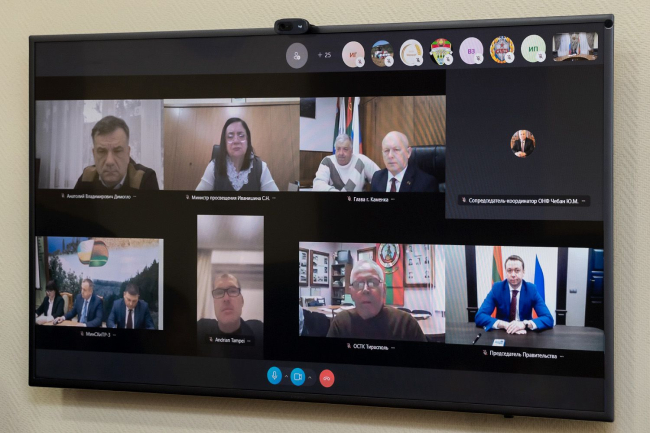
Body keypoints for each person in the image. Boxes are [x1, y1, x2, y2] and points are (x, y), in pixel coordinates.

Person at [327, 260, 427, 341]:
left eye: (372, 282)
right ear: (351, 293)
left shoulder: (405, 324)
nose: (365, 289)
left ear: (384, 290)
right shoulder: (340, 324)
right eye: (358, 284)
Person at [74, 116, 160, 192]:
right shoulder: (87, 177)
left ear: (128, 153)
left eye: (118, 151)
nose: (109, 162)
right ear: (94, 154)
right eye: (102, 151)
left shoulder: (144, 179)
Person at [475, 255, 554, 334]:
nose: (513, 275)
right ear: (506, 272)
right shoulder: (497, 288)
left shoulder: (531, 290)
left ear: (523, 272)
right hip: (503, 332)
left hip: (525, 333)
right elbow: (479, 316)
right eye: (509, 270)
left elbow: (548, 319)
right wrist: (505, 325)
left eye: (517, 270)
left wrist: (524, 324)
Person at [196, 118, 279, 191]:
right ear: (224, 142)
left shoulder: (261, 167)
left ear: (248, 140)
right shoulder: (213, 166)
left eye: (241, 135)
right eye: (230, 136)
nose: (236, 141)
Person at [197, 273, 263, 351]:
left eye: (232, 291)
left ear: (242, 301)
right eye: (219, 292)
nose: (226, 298)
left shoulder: (260, 331)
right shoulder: (200, 330)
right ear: (214, 303)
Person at [370, 131, 438, 192]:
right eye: (386, 151)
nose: (390, 155)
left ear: (408, 152)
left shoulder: (426, 183)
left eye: (396, 150)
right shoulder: (377, 177)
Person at [313, 134, 379, 191]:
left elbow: (381, 179)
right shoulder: (327, 161)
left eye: (345, 149)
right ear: (335, 149)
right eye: (338, 149)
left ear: (351, 150)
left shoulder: (362, 161)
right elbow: (317, 185)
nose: (341, 153)